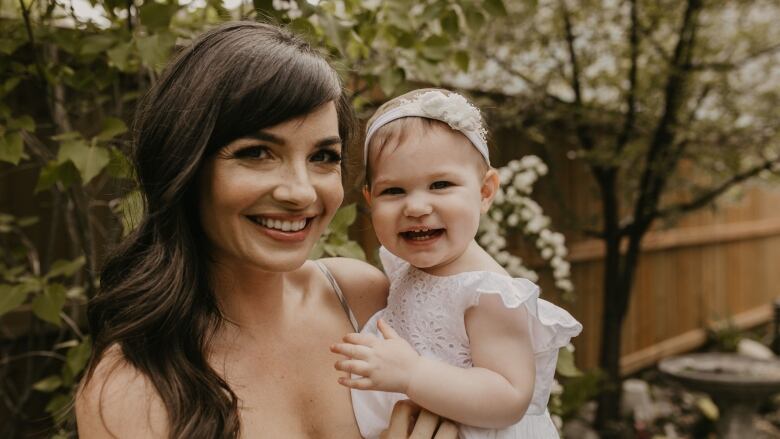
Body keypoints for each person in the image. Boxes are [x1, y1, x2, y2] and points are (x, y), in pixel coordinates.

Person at [75, 22, 454, 438]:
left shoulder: (362, 298)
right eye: (257, 153)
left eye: (323, 156)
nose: (300, 192)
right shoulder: (133, 386)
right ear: (186, 164)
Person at [330, 89, 583, 438]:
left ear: (485, 191)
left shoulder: (488, 292)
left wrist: (413, 374)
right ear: (371, 200)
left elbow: (510, 396)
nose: (416, 206)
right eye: (394, 191)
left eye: (440, 184)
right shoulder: (407, 266)